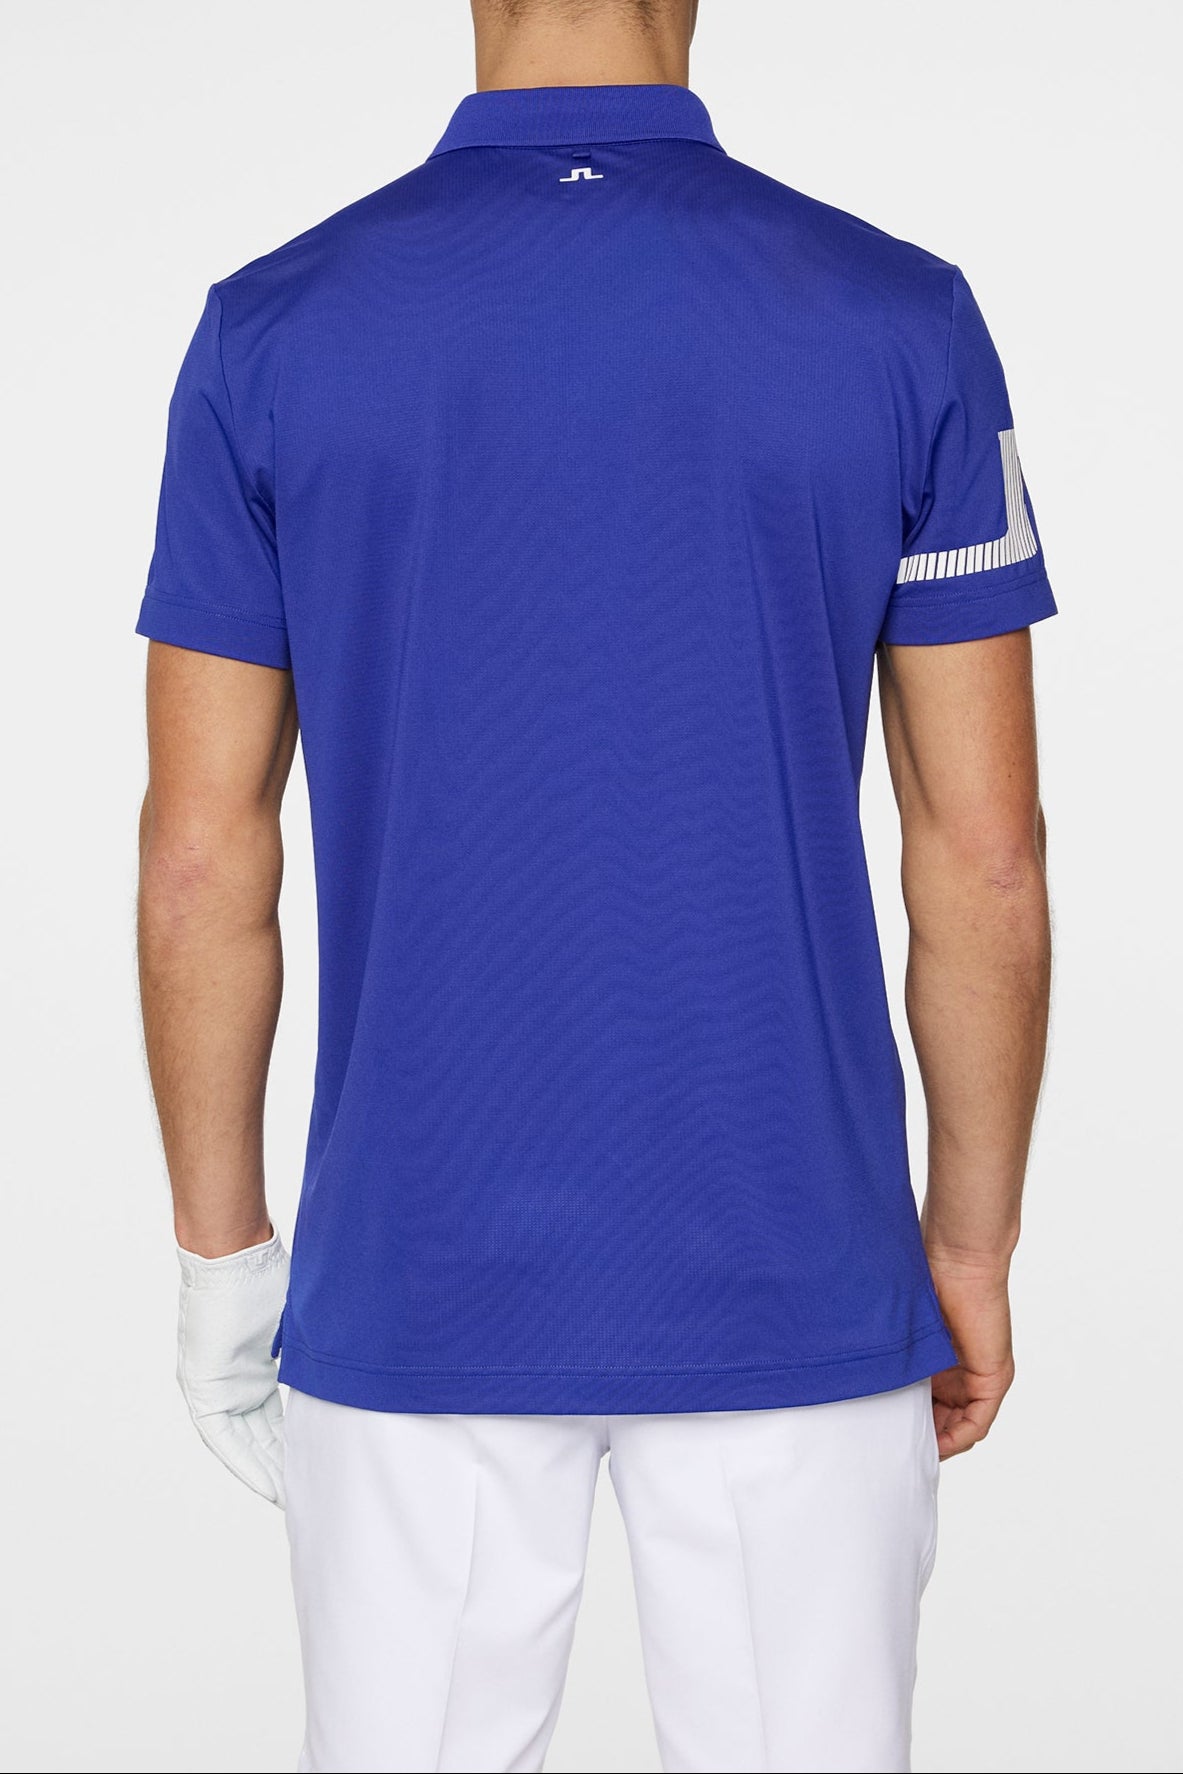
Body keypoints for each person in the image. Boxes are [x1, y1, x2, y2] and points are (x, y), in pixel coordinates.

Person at [135, 1, 1054, 1769]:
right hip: (802, 1275)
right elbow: (984, 854)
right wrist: (969, 1240)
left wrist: (221, 1259)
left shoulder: (275, 330)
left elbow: (200, 853)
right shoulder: (900, 319)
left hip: (414, 1280)